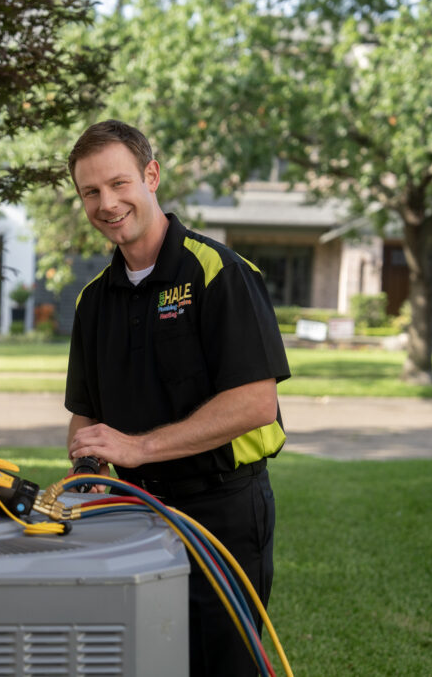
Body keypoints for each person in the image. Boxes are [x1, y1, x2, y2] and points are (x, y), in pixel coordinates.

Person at [63, 119, 290, 677]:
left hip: (222, 512)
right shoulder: (93, 302)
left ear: (151, 175)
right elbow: (85, 419)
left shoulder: (219, 272)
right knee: (144, 661)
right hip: (131, 511)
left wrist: (137, 448)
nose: (107, 203)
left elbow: (255, 404)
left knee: (223, 665)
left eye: (119, 184)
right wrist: (89, 466)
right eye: (90, 192)